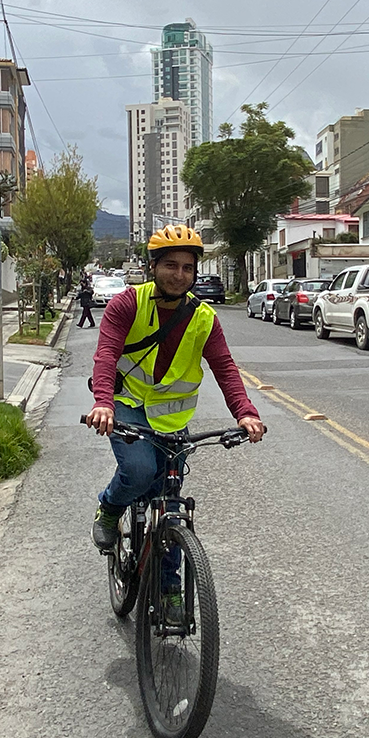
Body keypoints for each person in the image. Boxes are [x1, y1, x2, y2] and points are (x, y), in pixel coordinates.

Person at [85, 225, 266, 562]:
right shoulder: (127, 304)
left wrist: (245, 411)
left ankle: (171, 595)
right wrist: (103, 404)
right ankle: (109, 507)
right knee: (139, 470)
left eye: (187, 268)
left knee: (170, 504)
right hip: (128, 405)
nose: (179, 275)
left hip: (172, 417)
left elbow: (224, 366)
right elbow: (106, 354)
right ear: (152, 266)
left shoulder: (203, 318)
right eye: (170, 265)